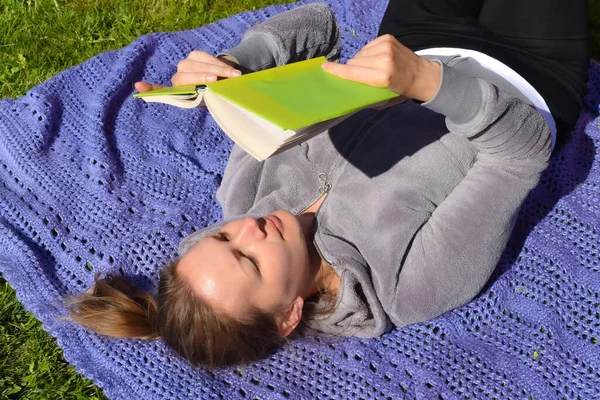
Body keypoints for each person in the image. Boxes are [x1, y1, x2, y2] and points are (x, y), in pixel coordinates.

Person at [65, 2, 591, 367]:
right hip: (524, 73)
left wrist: (240, 67)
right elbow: (521, 155)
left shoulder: (241, 196)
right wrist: (427, 84)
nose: (247, 229)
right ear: (290, 314)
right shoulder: (406, 288)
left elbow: (318, 26)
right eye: (249, 261)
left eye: (222, 238)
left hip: (412, 39)